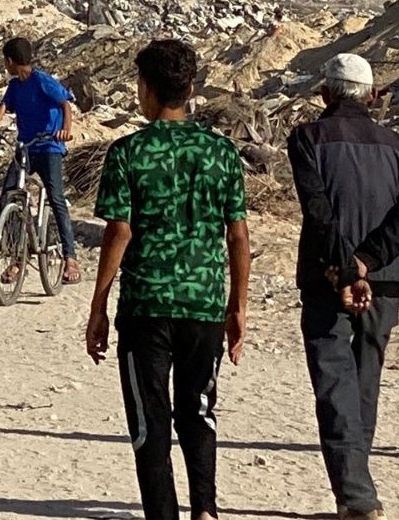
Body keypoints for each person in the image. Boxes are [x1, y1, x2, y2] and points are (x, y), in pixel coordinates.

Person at [86, 38, 250, 520]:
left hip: (146, 308)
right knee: (199, 410)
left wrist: (98, 305)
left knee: (150, 420)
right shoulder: (221, 153)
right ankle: (206, 510)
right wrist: (237, 306)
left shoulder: (127, 153)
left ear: (146, 89)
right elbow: (238, 238)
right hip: (203, 307)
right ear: (191, 88)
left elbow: (119, 231)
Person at [287, 52, 399, 520]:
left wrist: (347, 267)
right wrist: (367, 262)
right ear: (371, 95)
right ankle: (356, 489)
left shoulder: (307, 137)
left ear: (325, 93)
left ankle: (357, 497)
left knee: (335, 385)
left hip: (329, 278)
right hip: (384, 279)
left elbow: (318, 210)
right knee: (364, 384)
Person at [0, 36, 80, 286]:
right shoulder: (15, 87)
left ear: (10, 61)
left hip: (50, 147)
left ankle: (70, 257)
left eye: (5, 62)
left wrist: (65, 130)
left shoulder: (41, 80)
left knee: (56, 198)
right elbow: (1, 109)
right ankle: (18, 258)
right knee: (9, 195)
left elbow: (65, 104)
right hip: (26, 148)